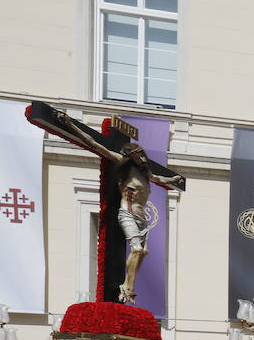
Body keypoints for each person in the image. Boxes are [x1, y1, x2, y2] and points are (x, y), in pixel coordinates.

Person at [54, 108, 185, 304]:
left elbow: (159, 178)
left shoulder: (145, 173)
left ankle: (128, 285)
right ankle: (128, 287)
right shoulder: (125, 166)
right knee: (138, 250)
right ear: (131, 156)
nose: (142, 157)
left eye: (143, 154)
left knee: (144, 251)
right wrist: (70, 125)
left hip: (142, 218)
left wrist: (174, 179)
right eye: (138, 155)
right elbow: (94, 143)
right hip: (128, 213)